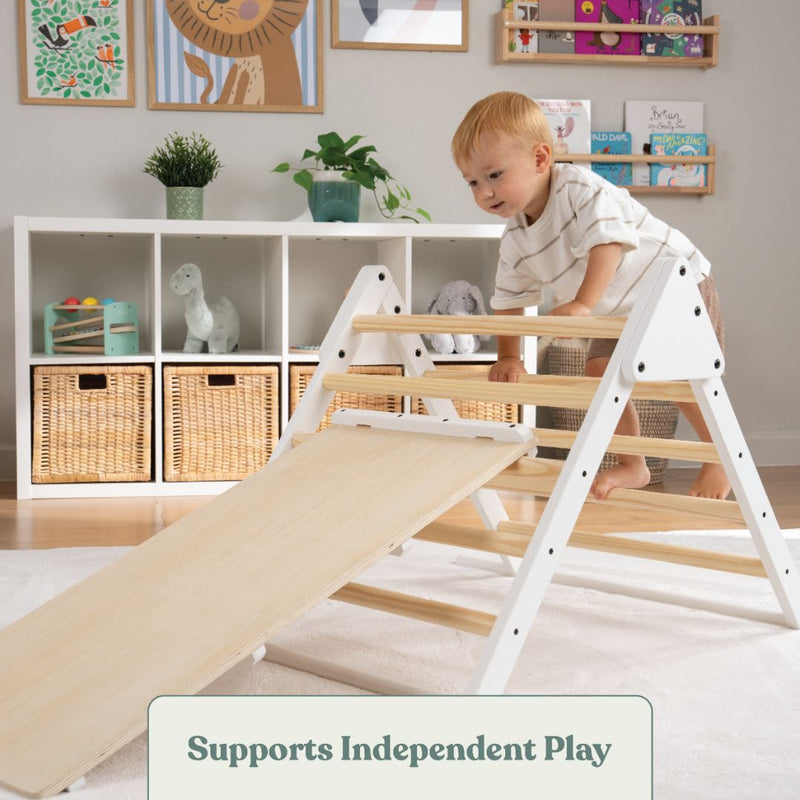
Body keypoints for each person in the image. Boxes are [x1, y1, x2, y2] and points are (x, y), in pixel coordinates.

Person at [451, 91, 729, 500]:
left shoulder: (580, 189)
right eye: (472, 182)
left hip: (675, 286)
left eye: (494, 175)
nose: (484, 192)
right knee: (600, 373)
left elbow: (609, 244)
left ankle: (719, 455)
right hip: (617, 308)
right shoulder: (515, 236)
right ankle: (633, 462)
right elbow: (510, 300)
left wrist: (582, 304)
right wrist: (508, 355)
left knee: (681, 375)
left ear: (540, 159)